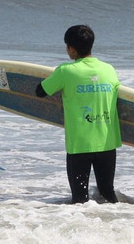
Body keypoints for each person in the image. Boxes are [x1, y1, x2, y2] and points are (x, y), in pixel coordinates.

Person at [35, 24, 121, 203]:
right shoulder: (109, 70)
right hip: (107, 143)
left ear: (71, 49)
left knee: (79, 200)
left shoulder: (66, 71)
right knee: (107, 195)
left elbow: (40, 91)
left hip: (80, 145)